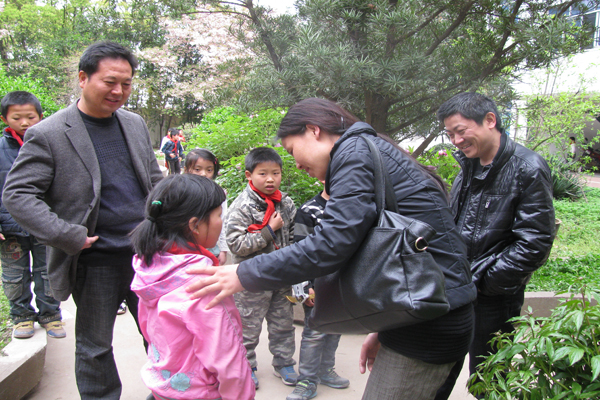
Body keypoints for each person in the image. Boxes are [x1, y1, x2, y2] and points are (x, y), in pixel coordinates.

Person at [185, 98, 477, 400]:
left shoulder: (353, 152)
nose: (296, 164)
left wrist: (243, 273)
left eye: (291, 150)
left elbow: (329, 244)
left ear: (313, 130)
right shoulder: (365, 148)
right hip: (429, 309)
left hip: (431, 322)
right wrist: (384, 327)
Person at [3, 41, 163, 400]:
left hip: (146, 255)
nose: (119, 91)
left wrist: (168, 223)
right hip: (95, 261)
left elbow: (154, 181)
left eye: (126, 83)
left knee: (162, 335)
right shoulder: (49, 133)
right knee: (95, 347)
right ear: (82, 78)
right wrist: (67, 234)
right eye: (110, 82)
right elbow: (17, 195)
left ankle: (169, 392)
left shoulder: (134, 123)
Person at [433, 92, 555, 399]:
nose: (456, 141)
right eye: (450, 135)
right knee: (437, 373)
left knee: (488, 381)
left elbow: (535, 242)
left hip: (492, 297)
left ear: (490, 120)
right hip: (456, 289)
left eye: (460, 131)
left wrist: (486, 282)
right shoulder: (469, 165)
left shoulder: (527, 168)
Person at [130, 173, 255, 400]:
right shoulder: (203, 282)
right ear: (195, 225)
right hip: (202, 393)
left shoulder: (149, 268)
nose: (222, 221)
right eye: (219, 215)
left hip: (164, 387)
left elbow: (149, 330)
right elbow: (226, 357)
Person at [226, 147, 298, 390]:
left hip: (281, 277)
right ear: (249, 175)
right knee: (247, 327)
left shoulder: (286, 203)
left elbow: (293, 238)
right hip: (252, 279)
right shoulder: (242, 206)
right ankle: (246, 366)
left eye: (275, 173)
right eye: (263, 174)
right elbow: (236, 244)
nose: (270, 179)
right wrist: (268, 231)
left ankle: (284, 363)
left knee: (283, 324)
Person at [0, 91, 65, 339]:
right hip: (10, 228)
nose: (24, 123)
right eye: (17, 118)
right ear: (5, 119)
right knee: (14, 276)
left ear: (40, 116)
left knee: (47, 271)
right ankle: (21, 317)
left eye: (30, 117)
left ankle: (51, 315)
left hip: (44, 224)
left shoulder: (51, 145)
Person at [287, 186, 349, 400]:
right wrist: (304, 287)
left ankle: (325, 370)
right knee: (314, 332)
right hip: (316, 285)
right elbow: (300, 252)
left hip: (342, 285)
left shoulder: (351, 208)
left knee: (335, 329)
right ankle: (307, 380)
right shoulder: (309, 211)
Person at [184, 148, 229, 265]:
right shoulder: (182, 192)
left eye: (209, 170)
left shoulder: (218, 195)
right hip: (184, 248)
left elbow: (223, 221)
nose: (203, 174)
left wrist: (223, 250)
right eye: (197, 169)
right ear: (186, 170)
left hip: (210, 248)